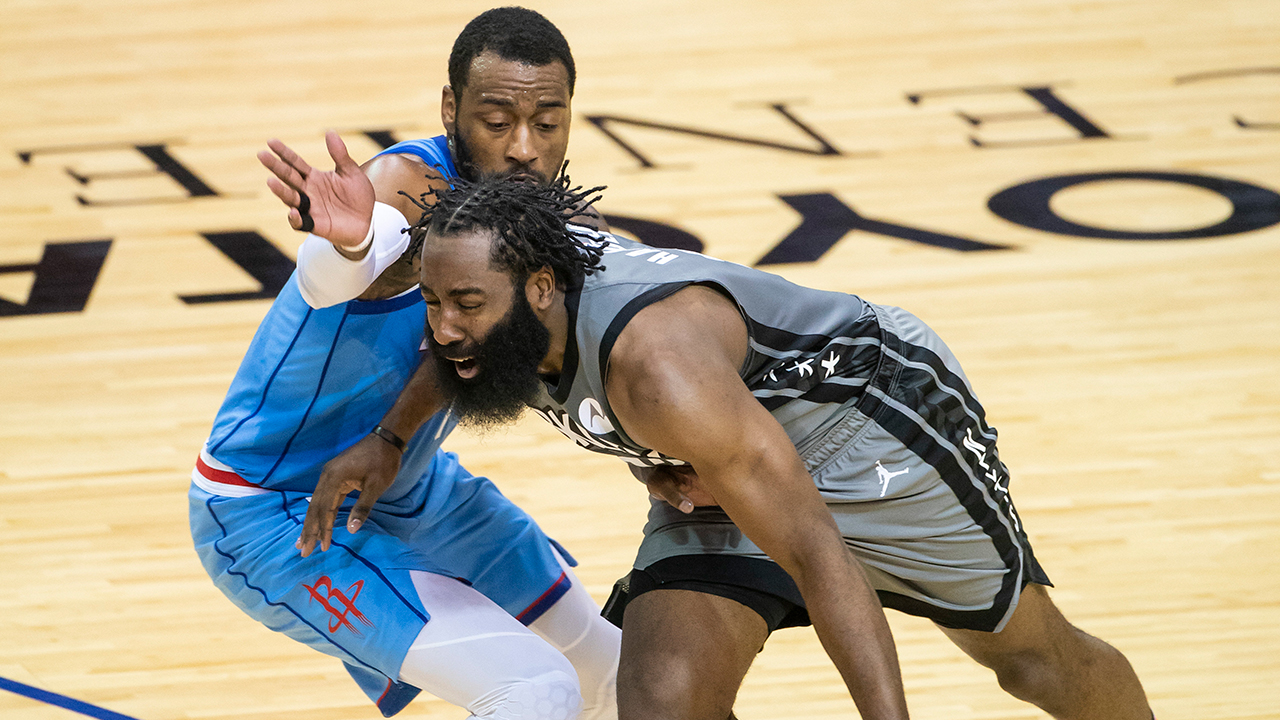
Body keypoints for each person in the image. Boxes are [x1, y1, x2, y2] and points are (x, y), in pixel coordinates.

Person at [403, 174, 1156, 720]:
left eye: (466, 305)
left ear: (540, 288)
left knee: (1030, 661)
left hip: (868, 420)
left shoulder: (659, 372)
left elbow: (816, 550)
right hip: (722, 454)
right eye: (434, 301)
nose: (444, 327)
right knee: (666, 701)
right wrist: (387, 441)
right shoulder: (498, 321)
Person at [190, 8, 619, 720]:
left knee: (616, 677)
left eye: (548, 124)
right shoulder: (404, 186)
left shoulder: (553, 222)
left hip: (413, 485)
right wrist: (349, 247)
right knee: (534, 689)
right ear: (450, 109)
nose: (523, 149)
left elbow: (545, 355)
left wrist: (657, 457)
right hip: (275, 507)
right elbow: (347, 274)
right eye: (496, 120)